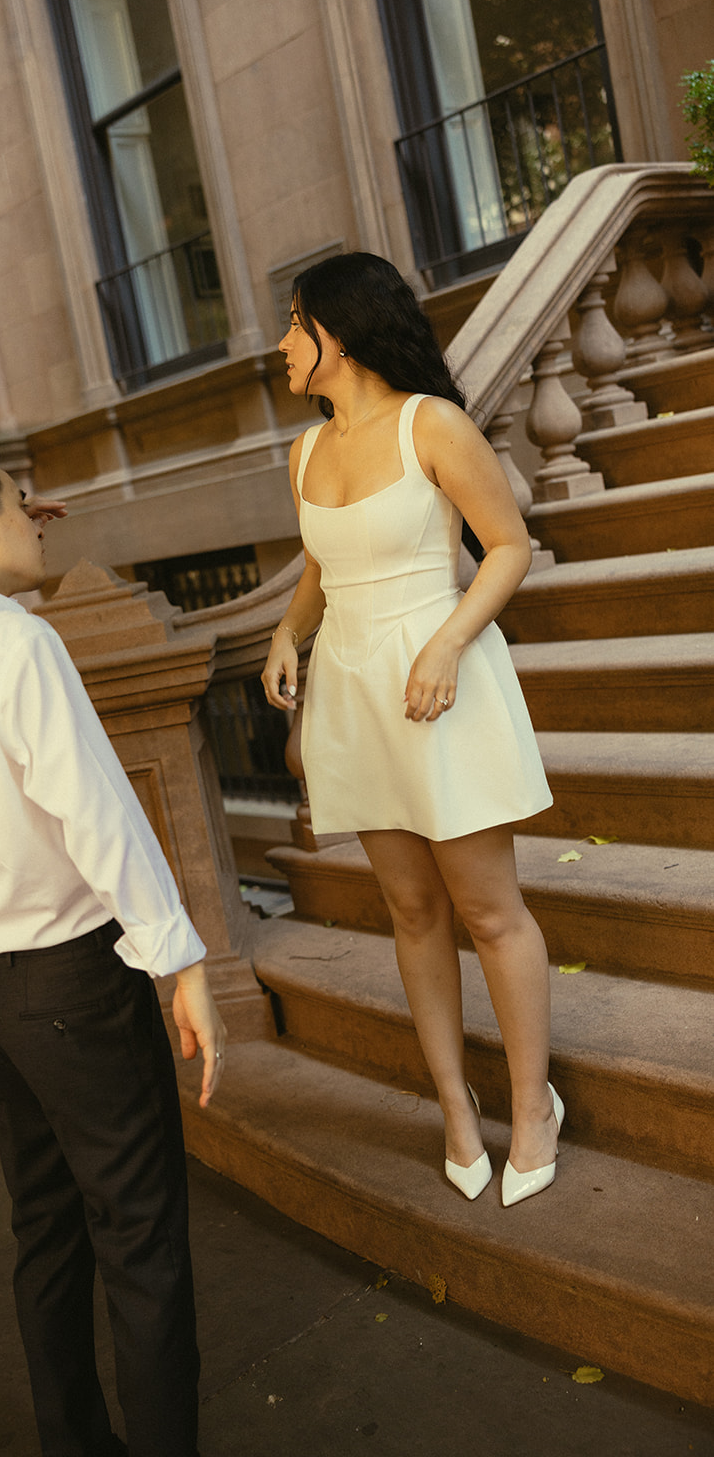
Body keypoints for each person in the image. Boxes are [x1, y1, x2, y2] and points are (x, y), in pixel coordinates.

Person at [0, 436, 226, 1457]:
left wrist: (6, 527)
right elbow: (96, 814)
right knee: (140, 1236)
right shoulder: (17, 644)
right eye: (20, 502)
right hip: (72, 978)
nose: (37, 515)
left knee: (47, 1229)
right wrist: (180, 963)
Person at [261, 252, 562, 1208]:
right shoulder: (304, 453)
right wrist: (285, 633)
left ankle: (532, 1104)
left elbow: (508, 547)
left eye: (292, 323)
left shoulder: (433, 425)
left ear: (335, 334)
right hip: (351, 692)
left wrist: (446, 644)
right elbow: (323, 564)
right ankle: (456, 1109)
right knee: (411, 911)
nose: (278, 344)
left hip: (441, 682)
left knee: (485, 908)